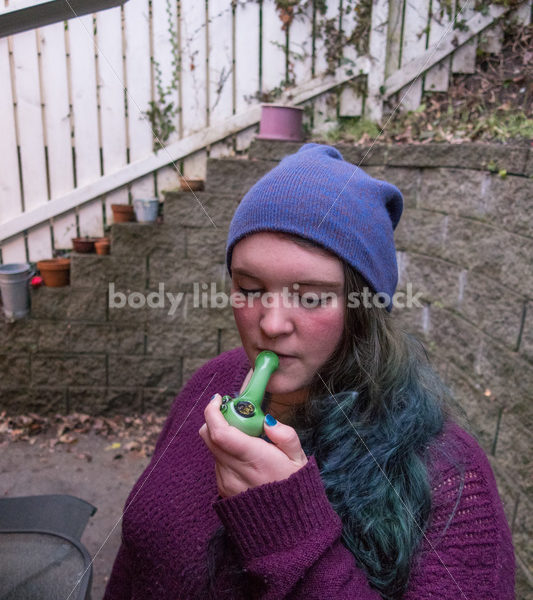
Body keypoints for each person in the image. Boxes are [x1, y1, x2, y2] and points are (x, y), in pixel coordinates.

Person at [103, 144, 514, 599]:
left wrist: (289, 528)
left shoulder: (448, 474)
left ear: (365, 308)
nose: (272, 324)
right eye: (250, 288)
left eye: (312, 297)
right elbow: (136, 561)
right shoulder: (210, 385)